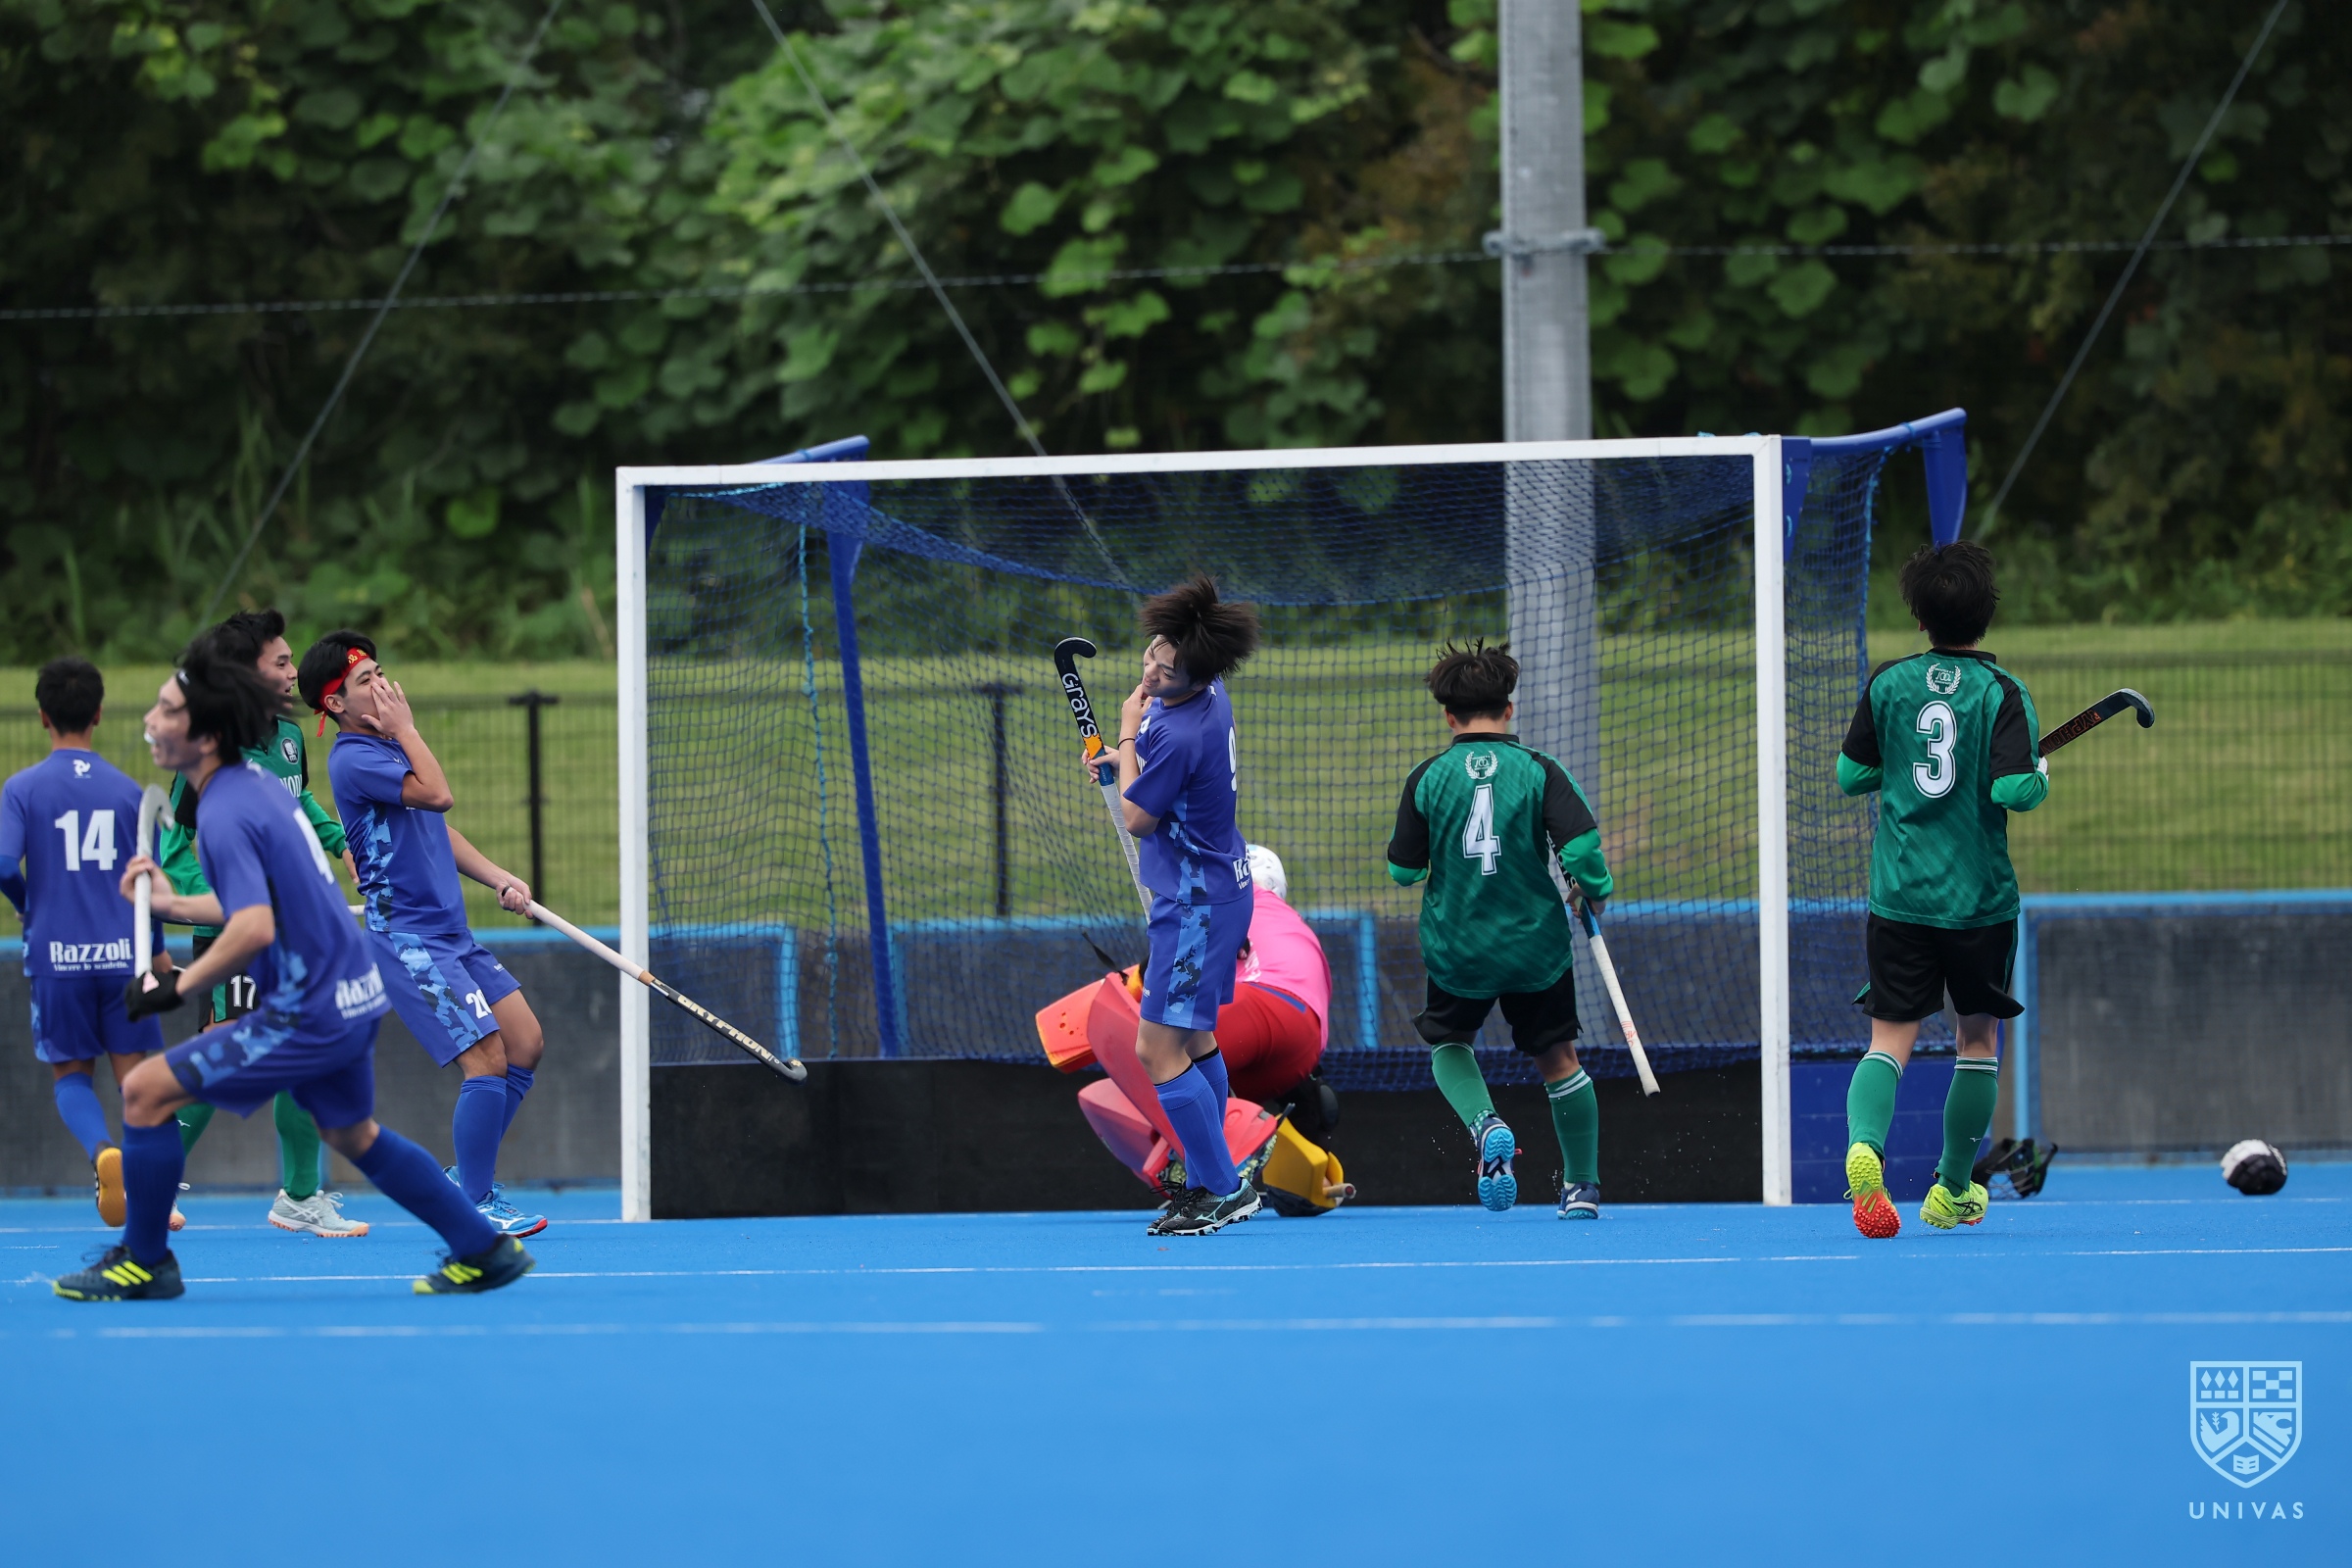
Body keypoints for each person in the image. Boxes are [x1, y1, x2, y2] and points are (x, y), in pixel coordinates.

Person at [51, 641, 532, 1299]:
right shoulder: (256, 790)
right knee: (354, 1133)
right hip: (348, 997)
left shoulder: (226, 808)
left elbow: (252, 927)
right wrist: (172, 902)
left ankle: (145, 1260)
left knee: (145, 1092)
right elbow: (262, 900)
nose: (150, 722)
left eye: (166, 710)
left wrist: (177, 985)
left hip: (311, 1008)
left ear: (206, 731)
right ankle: (481, 1248)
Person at [302, 631, 549, 1240]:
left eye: (380, 673)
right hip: (411, 939)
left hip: (452, 933)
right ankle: (475, 1200)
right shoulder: (355, 758)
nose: (383, 687)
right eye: (365, 682)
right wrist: (408, 729)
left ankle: (468, 1175)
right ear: (335, 704)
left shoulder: (386, 749)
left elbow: (436, 826)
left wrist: (497, 877)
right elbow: (440, 795)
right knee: (486, 1059)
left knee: (524, 1042)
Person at [1836, 540, 2045, 1239]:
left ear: (1919, 619)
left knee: (1887, 1041)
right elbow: (2013, 789)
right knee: (1977, 1040)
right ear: (1985, 619)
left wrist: (1900, 767)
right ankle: (1952, 1188)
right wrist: (2038, 775)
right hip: (1977, 903)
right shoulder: (2003, 692)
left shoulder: (1890, 683)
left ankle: (1866, 1149)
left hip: (1900, 898)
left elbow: (1850, 775)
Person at [1386, 641, 1615, 1219]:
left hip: (1458, 948)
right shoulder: (1540, 769)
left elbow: (1403, 871)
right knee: (1559, 1059)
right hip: (1535, 947)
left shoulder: (1426, 777)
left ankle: (1486, 1123)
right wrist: (1594, 889)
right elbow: (1582, 850)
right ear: (1509, 709)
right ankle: (1581, 1188)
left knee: (1450, 1044)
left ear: (1448, 716)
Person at [163, 609, 368, 1239]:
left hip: (292, 931)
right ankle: (149, 1165)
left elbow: (297, 798)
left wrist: (339, 841)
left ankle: (300, 1195)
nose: (293, 671)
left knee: (303, 1056)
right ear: (245, 674)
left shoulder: (288, 737)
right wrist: (228, 901)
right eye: (280, 662)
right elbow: (175, 849)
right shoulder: (209, 751)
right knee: (229, 1050)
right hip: (240, 934)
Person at [1102, 574, 1262, 1237]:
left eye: (1166, 674)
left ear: (1197, 676)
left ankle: (1224, 1188)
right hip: (1218, 891)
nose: (1151, 675)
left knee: (1155, 1049)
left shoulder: (1176, 733)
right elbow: (1150, 781)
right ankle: (1205, 1179)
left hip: (1196, 906)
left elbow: (1137, 817)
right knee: (1194, 1039)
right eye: (1152, 656)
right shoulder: (1206, 692)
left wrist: (1126, 736)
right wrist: (1124, 760)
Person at [1, 658, 171, 1227]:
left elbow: (3, 864)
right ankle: (154, 1192)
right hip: (124, 955)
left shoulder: (22, 788)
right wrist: (156, 950)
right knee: (137, 1082)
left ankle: (102, 1153)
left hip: (58, 956)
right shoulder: (128, 791)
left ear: (42, 716)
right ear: (98, 714)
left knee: (72, 1077)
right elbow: (147, 882)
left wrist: (29, 902)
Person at [1076, 843, 1330, 1193]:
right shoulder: (1294, 925)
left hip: (1256, 1005)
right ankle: (1304, 1172)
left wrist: (1135, 985)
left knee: (1155, 1056)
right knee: (1203, 1077)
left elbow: (1173, 965)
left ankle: (1199, 1176)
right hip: (1302, 1047)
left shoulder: (1232, 893)